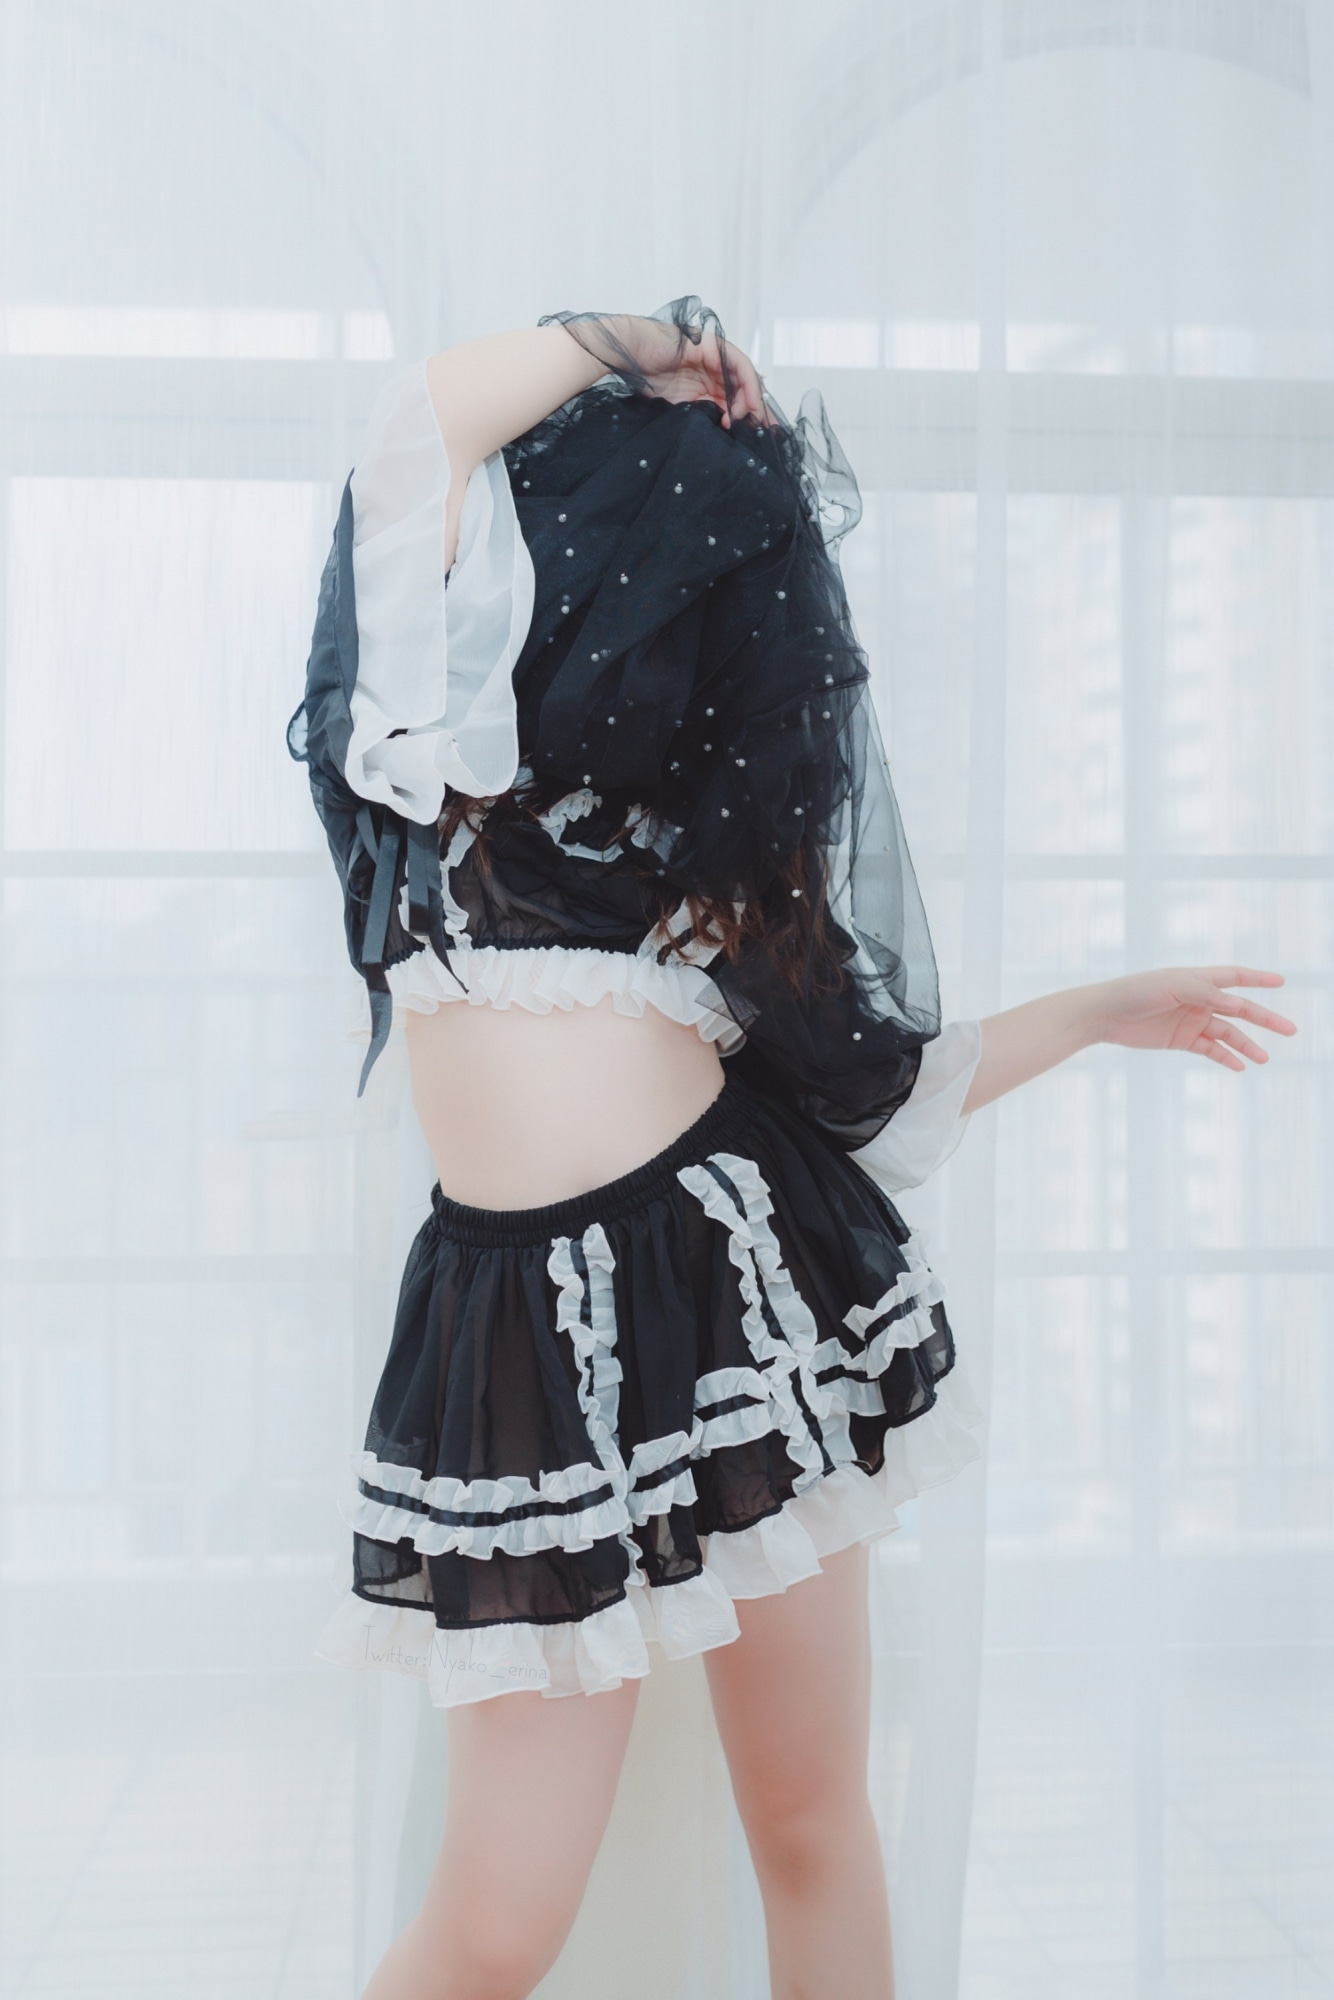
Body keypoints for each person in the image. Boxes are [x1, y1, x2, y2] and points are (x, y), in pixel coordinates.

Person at [288, 301, 1296, 2000]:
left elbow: (869, 1094)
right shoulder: (422, 739)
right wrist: (638, 334)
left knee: (811, 1823)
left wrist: (1098, 1009)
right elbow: (419, 428)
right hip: (512, 1326)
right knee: (494, 1924)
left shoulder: (680, 864)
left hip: (738, 1289)